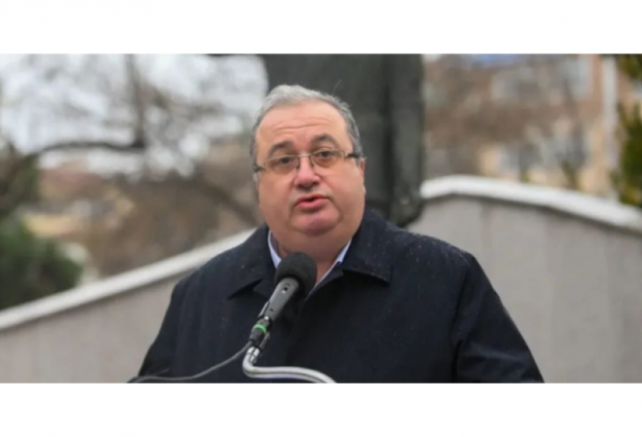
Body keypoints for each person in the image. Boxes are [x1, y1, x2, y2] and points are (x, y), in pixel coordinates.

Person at [136, 84, 543, 383]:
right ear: (258, 185)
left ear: (360, 171)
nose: (306, 175)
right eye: (283, 161)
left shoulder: (445, 279)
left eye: (325, 154)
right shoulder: (200, 298)